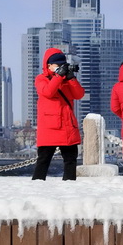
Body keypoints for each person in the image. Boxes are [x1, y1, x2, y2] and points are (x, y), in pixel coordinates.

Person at [32, 48, 84, 181]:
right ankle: (36, 186)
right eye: (57, 65)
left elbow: (79, 94)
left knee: (70, 160)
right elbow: (48, 92)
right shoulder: (41, 79)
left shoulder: (66, 80)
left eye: (62, 65)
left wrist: (71, 79)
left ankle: (69, 185)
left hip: (67, 125)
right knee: (43, 160)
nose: (60, 67)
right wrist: (58, 76)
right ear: (48, 65)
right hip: (50, 127)